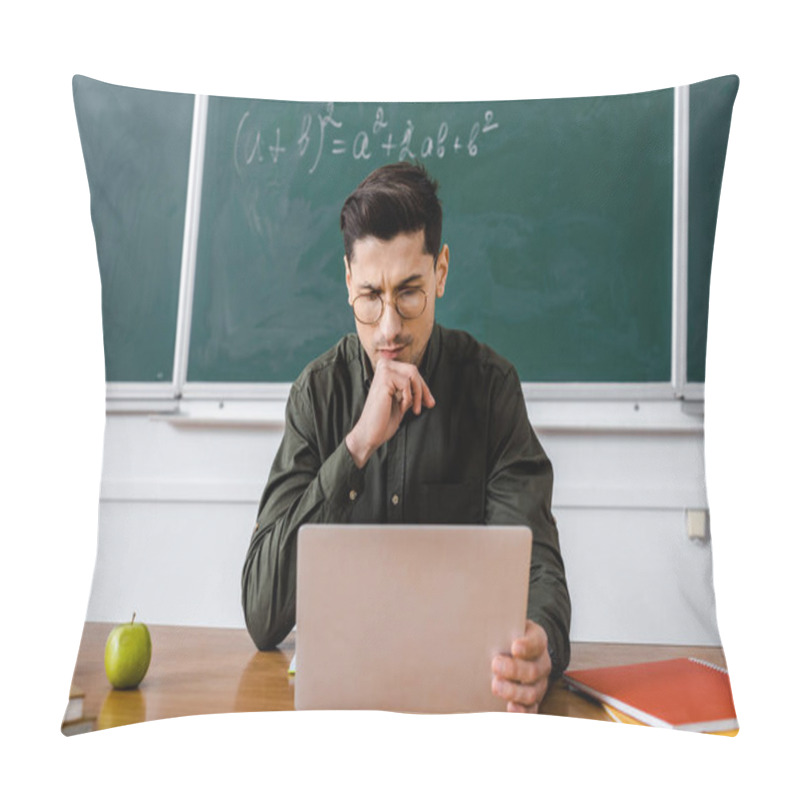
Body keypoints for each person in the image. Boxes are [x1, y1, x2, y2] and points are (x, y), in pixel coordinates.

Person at [241, 162, 570, 713]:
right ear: (348, 281)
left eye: (410, 293)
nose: (389, 327)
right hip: (343, 707)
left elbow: (537, 566)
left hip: (464, 703)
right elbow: (262, 613)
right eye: (371, 296)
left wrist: (541, 643)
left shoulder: (491, 390)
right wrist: (355, 449)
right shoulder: (317, 395)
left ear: (441, 271)